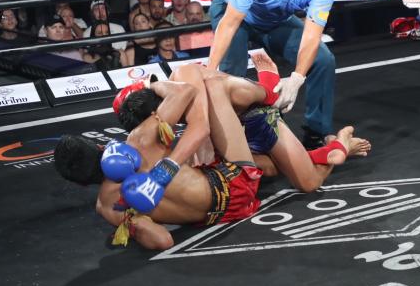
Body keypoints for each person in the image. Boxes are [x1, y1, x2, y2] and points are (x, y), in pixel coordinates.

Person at [54, 63, 365, 250]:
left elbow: (162, 241)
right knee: (198, 76)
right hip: (235, 179)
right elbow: (187, 96)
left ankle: (326, 148)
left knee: (271, 168)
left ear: (80, 183)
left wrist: (134, 223)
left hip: (224, 213)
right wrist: (152, 85)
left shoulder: (107, 207)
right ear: (100, 147)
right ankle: (269, 92)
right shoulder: (140, 139)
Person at [117, 51, 371, 192]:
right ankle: (321, 153)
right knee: (265, 170)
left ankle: (338, 142)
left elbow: (201, 128)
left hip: (256, 114)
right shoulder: (172, 111)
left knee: (308, 184)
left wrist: (166, 170)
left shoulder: (184, 77)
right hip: (232, 125)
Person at [208, 0, 337, 148]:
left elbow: (311, 37)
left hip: (275, 19)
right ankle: (226, 130)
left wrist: (297, 79)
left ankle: (316, 132)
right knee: (231, 71)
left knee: (323, 59)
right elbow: (229, 24)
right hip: (234, 12)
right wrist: (210, 71)